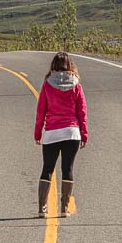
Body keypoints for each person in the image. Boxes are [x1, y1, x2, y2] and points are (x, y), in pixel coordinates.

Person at [34, 51, 88, 218]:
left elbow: (41, 110)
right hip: (71, 132)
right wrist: (84, 134)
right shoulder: (76, 84)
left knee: (47, 169)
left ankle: (42, 208)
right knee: (67, 169)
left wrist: (38, 133)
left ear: (54, 65)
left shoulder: (47, 84)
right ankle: (64, 208)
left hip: (51, 133)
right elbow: (82, 111)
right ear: (69, 64)